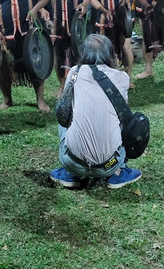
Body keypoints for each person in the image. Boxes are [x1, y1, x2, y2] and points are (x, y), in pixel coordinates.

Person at [49, 34, 142, 189]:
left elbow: (63, 114)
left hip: (73, 162)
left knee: (65, 113)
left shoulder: (74, 72)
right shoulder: (122, 77)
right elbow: (123, 118)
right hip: (109, 164)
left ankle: (70, 174)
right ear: (111, 54)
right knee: (122, 119)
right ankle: (118, 172)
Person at [39, 0, 87, 94]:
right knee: (58, 53)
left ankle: (75, 85)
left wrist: (84, 4)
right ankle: (62, 85)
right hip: (54, 19)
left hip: (75, 19)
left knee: (75, 52)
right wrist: (42, 10)